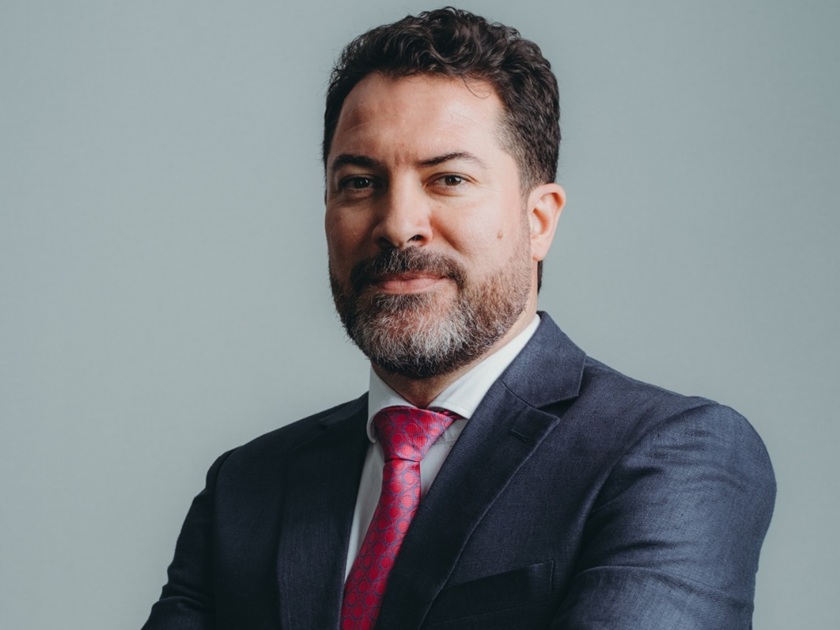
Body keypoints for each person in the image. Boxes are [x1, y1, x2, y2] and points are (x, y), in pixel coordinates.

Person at [142, 8, 775, 629]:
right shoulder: (246, 486)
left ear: (539, 221)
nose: (398, 225)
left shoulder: (668, 456)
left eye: (447, 179)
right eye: (359, 183)